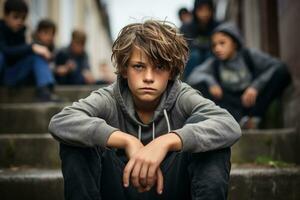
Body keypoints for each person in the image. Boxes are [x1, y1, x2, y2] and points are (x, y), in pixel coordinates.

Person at [49, 20, 241, 200]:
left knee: (212, 141)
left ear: (171, 72)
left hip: (171, 187)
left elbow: (228, 125)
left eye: (159, 67)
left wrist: (166, 142)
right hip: (118, 187)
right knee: (75, 140)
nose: (148, 77)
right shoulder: (108, 97)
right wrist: (127, 140)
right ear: (125, 69)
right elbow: (61, 121)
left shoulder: (182, 95)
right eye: (139, 66)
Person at [187, 22, 291, 129]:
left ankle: (254, 119)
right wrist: (211, 82)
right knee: (200, 85)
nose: (217, 49)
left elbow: (277, 66)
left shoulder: (249, 55)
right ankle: (238, 121)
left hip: (252, 99)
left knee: (281, 73)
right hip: (230, 104)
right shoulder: (214, 63)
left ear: (235, 43)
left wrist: (255, 86)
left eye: (222, 43)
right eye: (214, 45)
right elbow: (193, 77)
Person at [0, 0, 58, 101]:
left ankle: (45, 90)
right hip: (3, 73)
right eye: (16, 17)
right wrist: (32, 47)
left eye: (23, 18)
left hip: (13, 75)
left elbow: (19, 56)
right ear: (5, 15)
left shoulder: (22, 32)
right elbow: (6, 51)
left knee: (37, 56)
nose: (20, 21)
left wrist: (33, 49)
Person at [181, 0, 220, 80]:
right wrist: (208, 44)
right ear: (195, 11)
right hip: (194, 57)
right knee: (195, 55)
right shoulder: (187, 27)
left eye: (208, 9)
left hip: (211, 54)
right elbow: (188, 44)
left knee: (211, 55)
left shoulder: (218, 26)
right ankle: (190, 83)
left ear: (212, 10)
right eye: (201, 10)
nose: (205, 13)